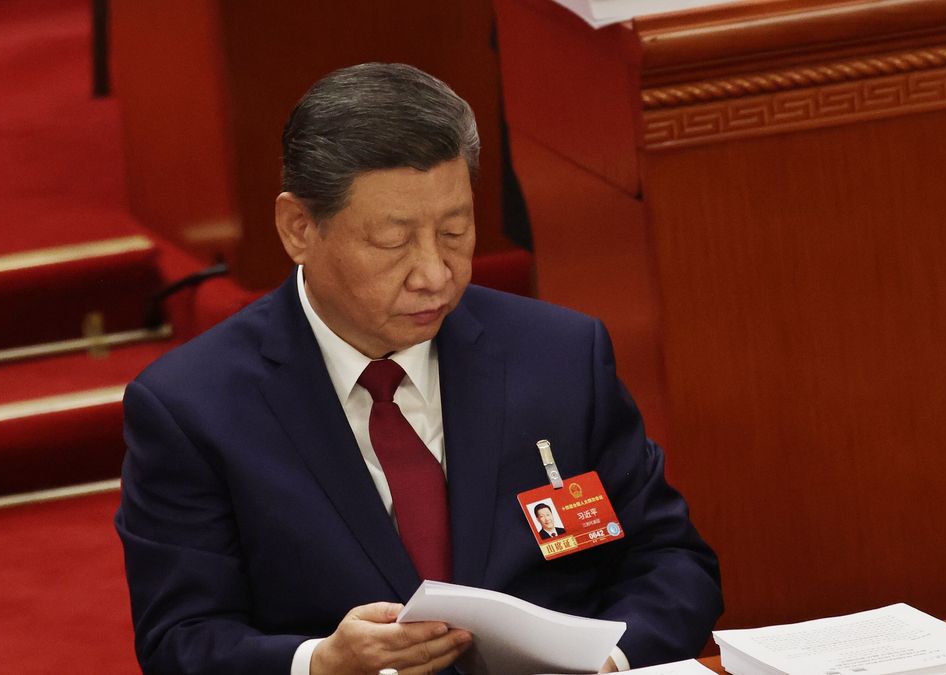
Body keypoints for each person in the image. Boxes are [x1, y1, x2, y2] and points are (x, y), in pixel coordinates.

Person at [115, 62, 722, 675]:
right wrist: (319, 664)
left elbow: (670, 560)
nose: (434, 274)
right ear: (299, 228)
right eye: (392, 241)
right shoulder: (192, 408)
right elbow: (180, 641)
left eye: (455, 231)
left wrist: (610, 661)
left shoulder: (561, 355)